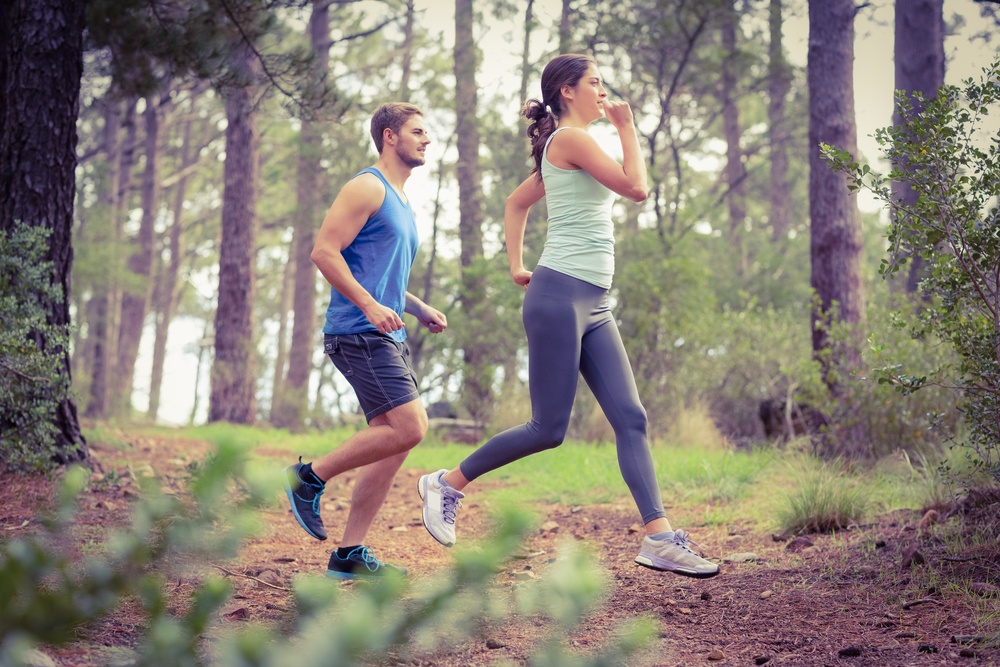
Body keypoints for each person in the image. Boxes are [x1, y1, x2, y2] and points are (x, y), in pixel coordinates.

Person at [418, 55, 719, 579]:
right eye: (595, 84)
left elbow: (516, 204)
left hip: (595, 302)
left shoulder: (563, 150)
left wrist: (516, 265)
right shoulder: (573, 140)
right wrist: (628, 129)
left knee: (631, 417)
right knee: (548, 428)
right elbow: (637, 188)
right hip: (559, 297)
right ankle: (446, 482)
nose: (604, 93)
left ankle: (660, 538)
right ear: (567, 92)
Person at [284, 102, 448, 579]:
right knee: (411, 427)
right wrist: (370, 307)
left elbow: (376, 272)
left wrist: (416, 308)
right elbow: (324, 252)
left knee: (394, 443)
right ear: (389, 136)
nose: (427, 139)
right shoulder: (367, 186)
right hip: (358, 333)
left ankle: (349, 554)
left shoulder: (398, 198)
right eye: (418, 131)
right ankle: (308, 477)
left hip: (384, 333)